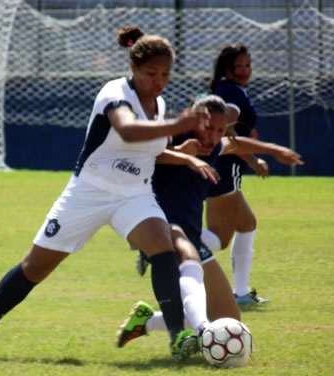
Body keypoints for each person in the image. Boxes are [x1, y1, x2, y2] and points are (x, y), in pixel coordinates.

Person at [0, 25, 217, 362]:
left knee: (162, 246)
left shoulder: (159, 103)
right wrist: (177, 126)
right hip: (90, 192)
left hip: (133, 195)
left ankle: (177, 336)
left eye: (165, 73)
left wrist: (183, 156)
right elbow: (128, 129)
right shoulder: (115, 93)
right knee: (35, 267)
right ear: (134, 69)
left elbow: (149, 150)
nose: (159, 80)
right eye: (151, 73)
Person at [117, 95, 303, 350]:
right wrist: (183, 155)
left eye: (218, 130)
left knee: (229, 319)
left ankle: (146, 323)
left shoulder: (216, 147)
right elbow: (146, 154)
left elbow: (235, 145)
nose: (212, 136)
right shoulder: (172, 140)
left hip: (192, 232)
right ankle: (197, 334)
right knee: (186, 261)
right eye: (207, 128)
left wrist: (275, 150)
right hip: (160, 226)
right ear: (194, 122)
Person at [200, 45, 271, 304]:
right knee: (217, 239)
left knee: (247, 224)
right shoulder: (231, 91)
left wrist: (247, 136)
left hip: (224, 166)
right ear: (226, 68)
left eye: (248, 65)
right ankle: (163, 242)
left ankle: (241, 293)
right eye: (238, 66)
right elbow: (226, 130)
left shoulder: (226, 89)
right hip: (224, 167)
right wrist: (253, 158)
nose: (244, 71)